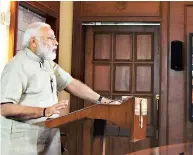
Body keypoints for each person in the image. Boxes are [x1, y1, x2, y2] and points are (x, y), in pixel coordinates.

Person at [0, 22, 119, 155]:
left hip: (48, 134)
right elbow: (5, 108)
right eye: (51, 38)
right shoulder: (16, 66)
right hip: (22, 140)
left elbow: (72, 84)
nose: (56, 42)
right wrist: (44, 111)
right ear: (33, 41)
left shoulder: (48, 64)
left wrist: (102, 100)